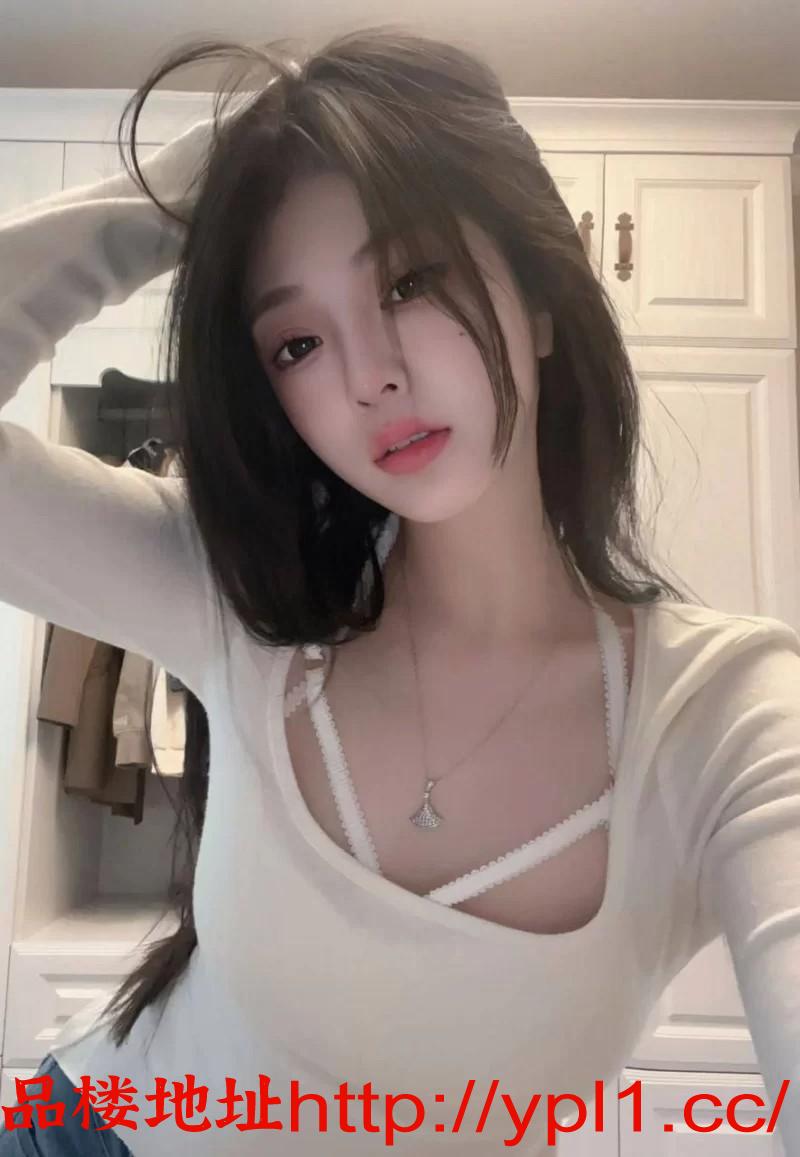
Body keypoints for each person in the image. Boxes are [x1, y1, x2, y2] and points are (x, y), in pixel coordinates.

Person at [1, 25, 800, 1157]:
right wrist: (192, 191)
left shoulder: (723, 720)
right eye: (295, 342)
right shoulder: (242, 593)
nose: (369, 375)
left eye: (412, 280)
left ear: (538, 300)